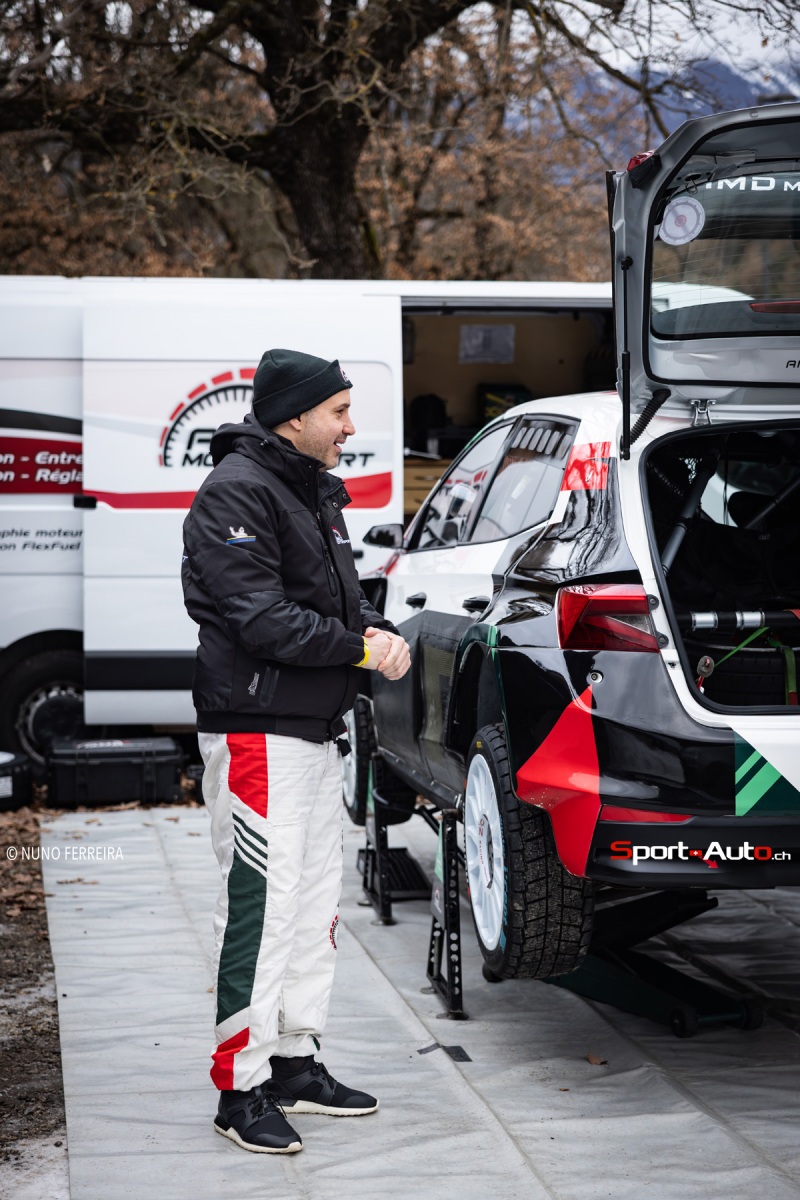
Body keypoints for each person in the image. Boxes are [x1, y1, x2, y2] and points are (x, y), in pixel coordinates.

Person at [181, 348, 410, 1155]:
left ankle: (292, 1063)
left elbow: (331, 604)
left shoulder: (310, 490)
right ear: (295, 417)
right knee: (263, 909)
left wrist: (375, 632)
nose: (350, 426)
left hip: (313, 731)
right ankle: (238, 1090)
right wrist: (360, 649)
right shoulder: (236, 491)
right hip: (258, 732)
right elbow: (263, 620)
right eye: (339, 411)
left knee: (313, 910)